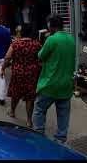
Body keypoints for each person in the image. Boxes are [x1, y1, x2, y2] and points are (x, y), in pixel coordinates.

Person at [32, 13, 76, 143]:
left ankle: (39, 136)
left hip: (50, 84)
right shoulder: (71, 39)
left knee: (39, 110)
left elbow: (40, 56)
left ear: (51, 26)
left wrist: (45, 39)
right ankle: (60, 139)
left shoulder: (51, 39)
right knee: (63, 115)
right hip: (66, 85)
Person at [0, 25, 42, 127]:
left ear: (21, 32)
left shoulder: (16, 44)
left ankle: (12, 112)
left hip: (18, 73)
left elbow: (7, 57)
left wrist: (3, 68)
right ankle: (29, 120)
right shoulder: (37, 44)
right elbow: (41, 58)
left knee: (16, 93)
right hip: (31, 74)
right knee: (30, 97)